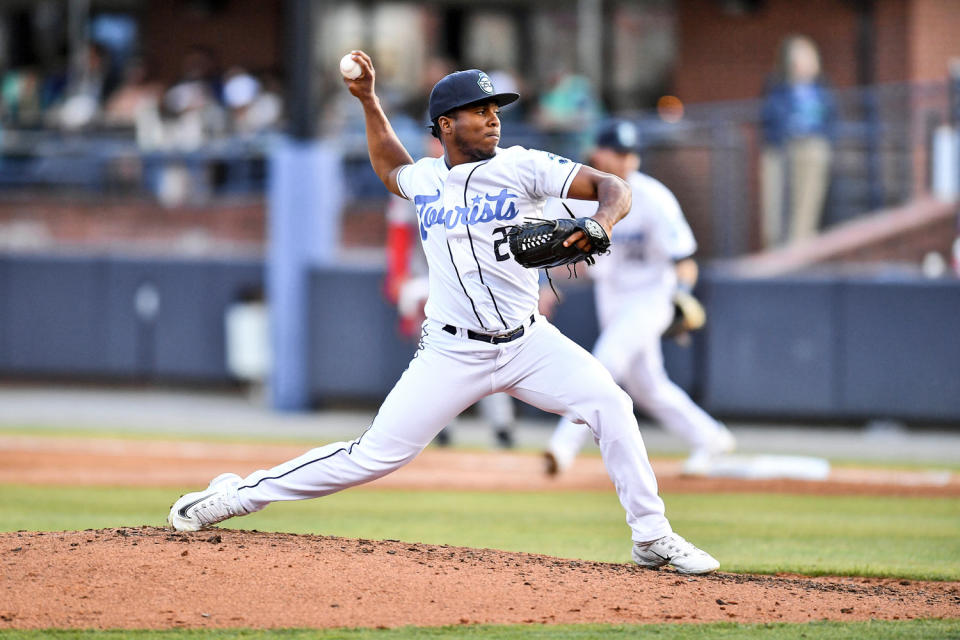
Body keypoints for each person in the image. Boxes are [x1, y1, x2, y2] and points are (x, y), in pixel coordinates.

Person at [167, 52, 720, 575]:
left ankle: (650, 535)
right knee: (373, 456)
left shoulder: (526, 167)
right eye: (478, 111)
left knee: (611, 405)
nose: (492, 119)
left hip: (529, 343)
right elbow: (390, 168)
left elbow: (611, 185)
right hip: (452, 349)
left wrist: (601, 222)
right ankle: (236, 496)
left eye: (495, 109)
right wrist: (368, 100)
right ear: (445, 125)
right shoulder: (427, 178)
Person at [543, 120, 736, 477]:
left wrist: (680, 298)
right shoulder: (576, 197)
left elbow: (685, 261)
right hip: (611, 295)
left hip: (651, 296)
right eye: (617, 151)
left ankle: (562, 448)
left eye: (629, 152)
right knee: (648, 386)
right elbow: (551, 246)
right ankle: (710, 437)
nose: (625, 159)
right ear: (597, 153)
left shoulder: (653, 197)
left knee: (604, 363)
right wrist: (543, 283)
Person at [760, 34, 835, 248]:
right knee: (775, 208)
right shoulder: (777, 86)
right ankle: (775, 251)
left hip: (812, 146)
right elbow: (768, 117)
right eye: (799, 55)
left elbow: (831, 119)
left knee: (806, 204)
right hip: (780, 148)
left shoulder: (821, 88)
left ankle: (800, 247)